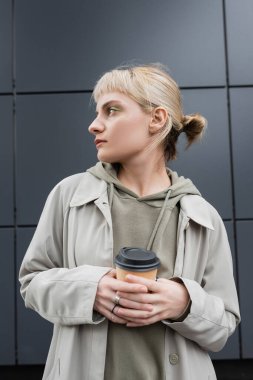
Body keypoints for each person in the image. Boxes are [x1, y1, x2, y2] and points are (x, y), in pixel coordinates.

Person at [19, 63, 240, 380]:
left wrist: (184, 304)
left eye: (111, 110)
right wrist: (89, 289)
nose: (94, 126)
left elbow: (224, 326)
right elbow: (32, 282)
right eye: (98, 113)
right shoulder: (68, 196)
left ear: (156, 119)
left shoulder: (203, 216)